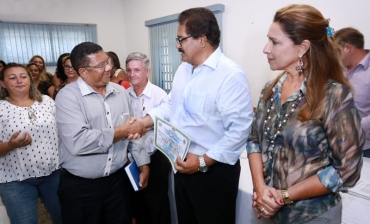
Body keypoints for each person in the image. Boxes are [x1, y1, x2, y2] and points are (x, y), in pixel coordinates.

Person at [247, 4, 365, 224]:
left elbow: (347, 170)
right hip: (268, 211)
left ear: (302, 48)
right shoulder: (269, 90)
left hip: (313, 216)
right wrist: (261, 189)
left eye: (275, 42)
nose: (265, 48)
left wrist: (283, 196)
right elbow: (254, 140)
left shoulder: (333, 95)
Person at [135, 7, 254, 224]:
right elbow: (171, 104)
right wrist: (144, 121)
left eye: (182, 39)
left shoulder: (229, 75)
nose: (177, 45)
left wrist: (201, 161)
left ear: (203, 40)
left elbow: (239, 131)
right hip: (182, 164)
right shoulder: (184, 69)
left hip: (213, 171)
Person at [55, 42, 149, 224]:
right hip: (81, 187)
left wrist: (143, 164)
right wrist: (121, 131)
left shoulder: (121, 92)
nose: (109, 68)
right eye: (100, 65)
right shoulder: (68, 97)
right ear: (83, 72)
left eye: (107, 61)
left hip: (117, 181)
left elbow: (133, 132)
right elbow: (78, 142)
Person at [0, 63, 61, 224]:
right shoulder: (1, 109)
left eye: (23, 76)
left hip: (53, 174)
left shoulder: (47, 102)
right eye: (12, 78)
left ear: (31, 79)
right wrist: (11, 145)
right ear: (2, 83)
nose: (19, 80)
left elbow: (63, 132)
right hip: (15, 180)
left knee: (65, 216)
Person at [126, 52, 171, 224]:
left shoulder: (160, 96)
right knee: (138, 204)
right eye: (129, 70)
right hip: (131, 158)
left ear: (147, 71)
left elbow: (168, 128)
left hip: (155, 157)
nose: (132, 74)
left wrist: (146, 126)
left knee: (157, 205)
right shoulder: (125, 95)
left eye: (137, 70)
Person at [334, 28, 370, 158]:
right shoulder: (340, 68)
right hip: (339, 145)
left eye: (337, 51)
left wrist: (353, 128)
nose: (335, 56)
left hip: (366, 148)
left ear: (347, 48)